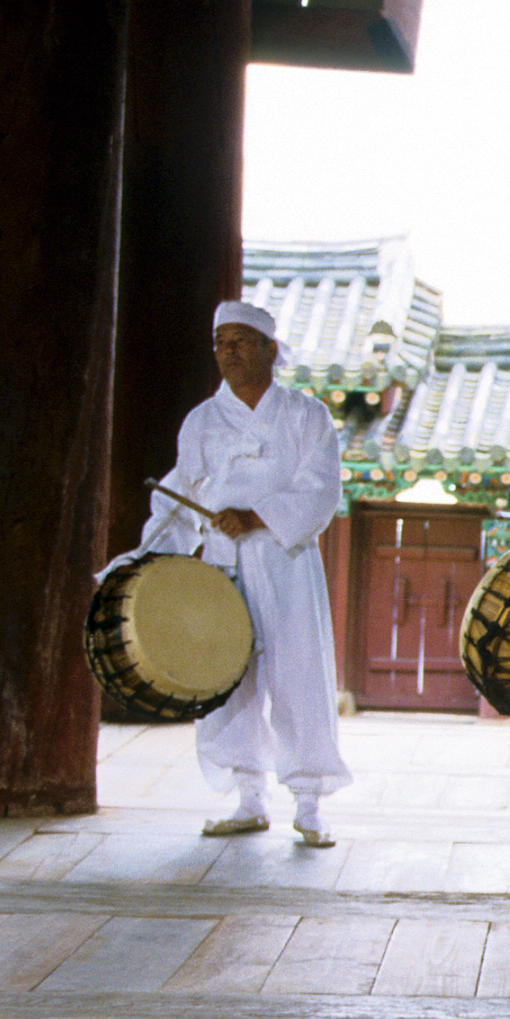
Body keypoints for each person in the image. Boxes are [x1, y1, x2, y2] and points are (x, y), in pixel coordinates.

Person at [121, 301, 351, 846]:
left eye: (241, 340)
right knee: (227, 677)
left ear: (271, 348)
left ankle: (310, 800)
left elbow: (321, 487)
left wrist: (255, 515)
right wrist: (144, 560)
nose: (228, 351)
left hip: (286, 558)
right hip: (223, 561)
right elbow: (178, 499)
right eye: (221, 341)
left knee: (298, 673)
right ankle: (248, 796)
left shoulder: (305, 414)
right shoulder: (202, 420)